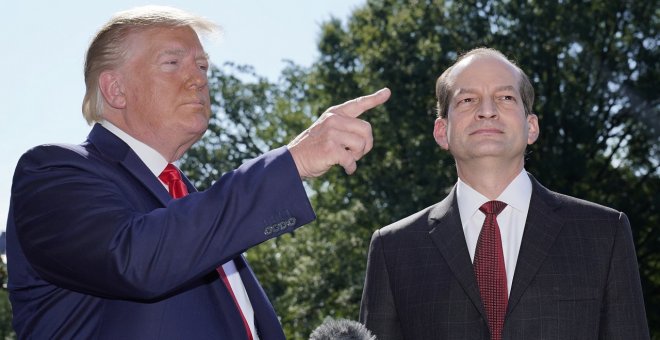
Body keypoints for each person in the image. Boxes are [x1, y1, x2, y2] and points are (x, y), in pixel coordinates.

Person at [6, 6, 390, 339]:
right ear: (115, 89)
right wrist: (293, 162)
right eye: (172, 63)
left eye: (202, 65)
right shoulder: (53, 171)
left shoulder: (190, 204)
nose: (199, 78)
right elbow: (135, 260)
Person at [359, 47, 649, 339]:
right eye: (467, 99)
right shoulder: (392, 248)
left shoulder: (604, 233)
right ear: (441, 131)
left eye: (505, 98)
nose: (487, 110)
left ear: (531, 126)